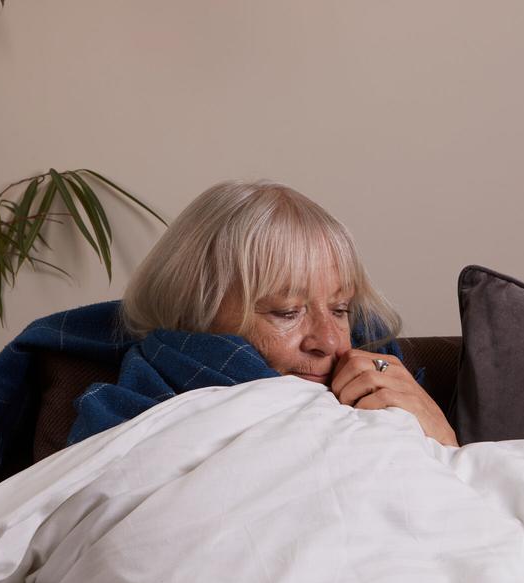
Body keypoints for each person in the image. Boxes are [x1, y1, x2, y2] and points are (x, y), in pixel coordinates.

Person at [122, 179, 459, 447]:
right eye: (287, 313)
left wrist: (442, 437)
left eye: (340, 309)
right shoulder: (135, 424)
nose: (329, 342)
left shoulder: (384, 385)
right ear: (194, 314)